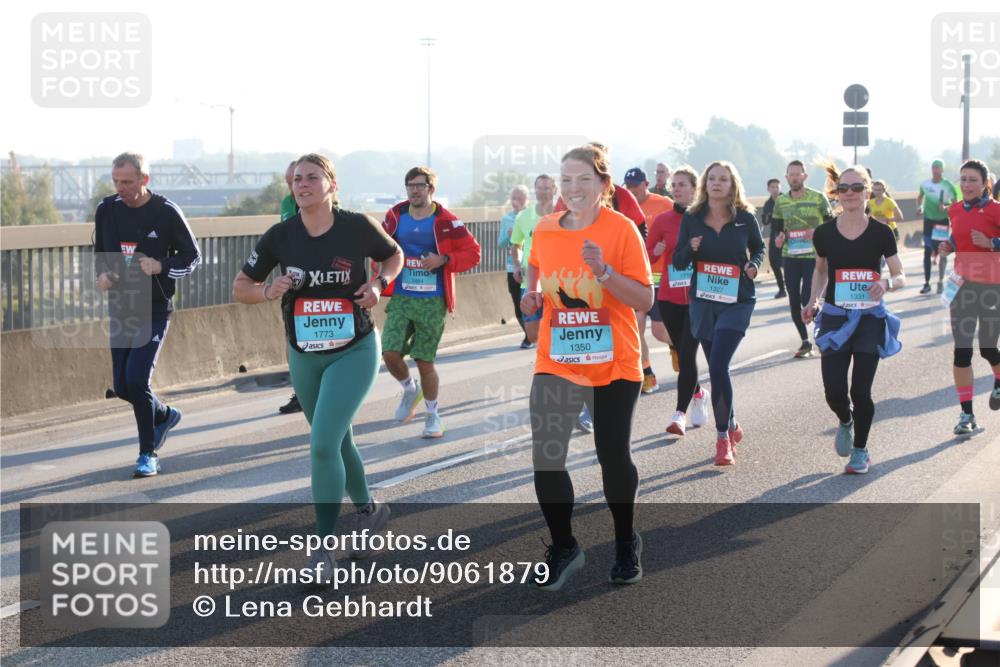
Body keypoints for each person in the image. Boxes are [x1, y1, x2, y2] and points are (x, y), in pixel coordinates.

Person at [233, 153, 403, 577]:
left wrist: (378, 284)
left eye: (312, 178)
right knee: (338, 441)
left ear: (332, 185)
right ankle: (369, 511)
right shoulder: (280, 236)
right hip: (304, 354)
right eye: (295, 180)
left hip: (354, 348)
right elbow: (241, 287)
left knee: (323, 443)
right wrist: (270, 291)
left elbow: (393, 255)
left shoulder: (356, 227)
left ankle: (322, 549)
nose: (302, 184)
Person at [520, 145, 652, 591]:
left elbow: (644, 300)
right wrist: (530, 296)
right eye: (566, 180)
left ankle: (623, 541)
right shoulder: (544, 229)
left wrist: (604, 273)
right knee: (547, 454)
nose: (573, 189)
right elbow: (533, 269)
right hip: (557, 359)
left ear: (603, 185)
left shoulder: (623, 230)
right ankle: (564, 547)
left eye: (583, 180)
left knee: (612, 456)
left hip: (613, 362)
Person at [93, 152, 201, 478]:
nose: (120, 188)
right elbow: (100, 254)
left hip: (154, 307)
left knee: (138, 380)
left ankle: (147, 454)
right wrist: (102, 275)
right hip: (121, 307)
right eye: (116, 181)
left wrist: (162, 265)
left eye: (127, 182)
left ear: (144, 179)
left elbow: (192, 256)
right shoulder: (106, 209)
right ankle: (164, 414)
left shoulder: (166, 212)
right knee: (123, 386)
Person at [802, 164, 905, 475]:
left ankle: (860, 450)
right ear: (836, 193)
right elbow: (821, 270)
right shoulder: (824, 234)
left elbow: (900, 274)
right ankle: (845, 420)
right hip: (834, 316)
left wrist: (887, 283)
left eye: (857, 187)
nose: (850, 193)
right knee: (834, 391)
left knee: (861, 391)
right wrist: (812, 300)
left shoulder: (881, 233)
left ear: (868, 190)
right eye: (844, 188)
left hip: (869, 317)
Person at [673, 161, 764, 466]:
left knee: (719, 364)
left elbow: (759, 249)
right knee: (716, 367)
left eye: (723, 179)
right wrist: (691, 247)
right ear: (704, 184)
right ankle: (733, 423)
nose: (716, 183)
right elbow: (679, 260)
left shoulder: (745, 218)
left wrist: (753, 266)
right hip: (703, 302)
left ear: (732, 184)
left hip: (737, 301)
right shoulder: (692, 218)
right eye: (711, 178)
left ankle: (722, 437)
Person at [381, 167, 482, 438]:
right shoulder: (395, 216)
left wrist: (444, 260)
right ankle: (410, 389)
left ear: (431, 189)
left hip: (432, 300)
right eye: (410, 185)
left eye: (420, 186)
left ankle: (433, 415)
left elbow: (473, 253)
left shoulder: (447, 221)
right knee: (389, 353)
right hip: (402, 295)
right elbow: (377, 245)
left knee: (424, 360)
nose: (414, 190)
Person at [937, 159, 1000, 437]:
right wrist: (948, 245)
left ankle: (998, 378)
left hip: (992, 288)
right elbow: (957, 237)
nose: (966, 185)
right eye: (963, 179)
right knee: (962, 352)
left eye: (972, 179)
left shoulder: (997, 211)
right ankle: (967, 414)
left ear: (985, 183)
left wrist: (993, 244)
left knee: (987, 349)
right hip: (961, 286)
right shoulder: (954, 210)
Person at [647, 165, 711, 435]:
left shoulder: (706, 218)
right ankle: (697, 394)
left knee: (686, 353)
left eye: (682, 185)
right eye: (674, 185)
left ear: (695, 189)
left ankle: (679, 415)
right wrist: (657, 250)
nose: (676, 189)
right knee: (682, 353)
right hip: (670, 296)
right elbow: (646, 256)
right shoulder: (662, 220)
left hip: (698, 297)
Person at [772, 160, 835, 359]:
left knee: (810, 297)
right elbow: (776, 227)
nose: (795, 177)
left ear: (805, 176)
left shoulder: (818, 198)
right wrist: (779, 238)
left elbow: (831, 225)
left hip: (813, 257)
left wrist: (815, 232)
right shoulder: (781, 201)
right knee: (794, 300)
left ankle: (821, 337)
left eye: (798, 174)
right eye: (791, 174)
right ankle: (805, 341)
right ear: (787, 178)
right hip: (790, 256)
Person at [624, 167, 674, 393]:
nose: (633, 191)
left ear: (646, 183)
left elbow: (681, 223)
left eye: (636, 186)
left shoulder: (664, 203)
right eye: (629, 187)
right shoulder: (623, 209)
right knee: (636, 326)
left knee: (660, 331)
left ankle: (675, 345)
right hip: (636, 278)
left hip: (662, 277)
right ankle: (647, 373)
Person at [511, 174, 557, 349]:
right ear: (534, 190)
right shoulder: (523, 216)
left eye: (547, 188)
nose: (543, 192)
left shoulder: (563, 214)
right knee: (533, 335)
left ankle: (553, 361)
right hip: (530, 281)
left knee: (556, 328)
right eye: (540, 188)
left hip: (556, 280)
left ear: (554, 190)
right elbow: (516, 245)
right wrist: (516, 265)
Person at [278, 160, 304, 415]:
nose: (293, 187)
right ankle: (300, 391)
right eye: (289, 183)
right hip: (292, 284)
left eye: (295, 181)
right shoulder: (287, 203)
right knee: (291, 339)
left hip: (321, 285)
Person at [917, 159, 960, 295]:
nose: (935, 170)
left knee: (942, 251)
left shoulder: (948, 185)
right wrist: (920, 208)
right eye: (933, 167)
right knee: (926, 251)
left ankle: (941, 280)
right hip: (928, 221)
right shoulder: (925, 184)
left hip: (941, 222)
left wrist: (946, 208)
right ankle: (927, 283)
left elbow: (956, 204)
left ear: (942, 169)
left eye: (938, 167)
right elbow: (920, 197)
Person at [498, 185, 531, 348]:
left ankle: (531, 337)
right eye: (513, 198)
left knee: (530, 302)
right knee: (517, 303)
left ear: (527, 200)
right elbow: (500, 243)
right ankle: (528, 334)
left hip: (531, 266)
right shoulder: (507, 219)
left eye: (520, 198)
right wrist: (510, 237)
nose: (516, 201)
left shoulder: (533, 217)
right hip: (512, 267)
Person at [760, 178, 786, 298]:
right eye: (772, 187)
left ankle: (793, 286)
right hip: (775, 235)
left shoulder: (787, 200)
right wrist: (768, 215)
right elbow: (765, 222)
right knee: (774, 262)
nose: (775, 189)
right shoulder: (768, 204)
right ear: (768, 189)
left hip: (788, 234)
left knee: (788, 263)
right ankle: (782, 289)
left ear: (780, 187)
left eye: (777, 186)